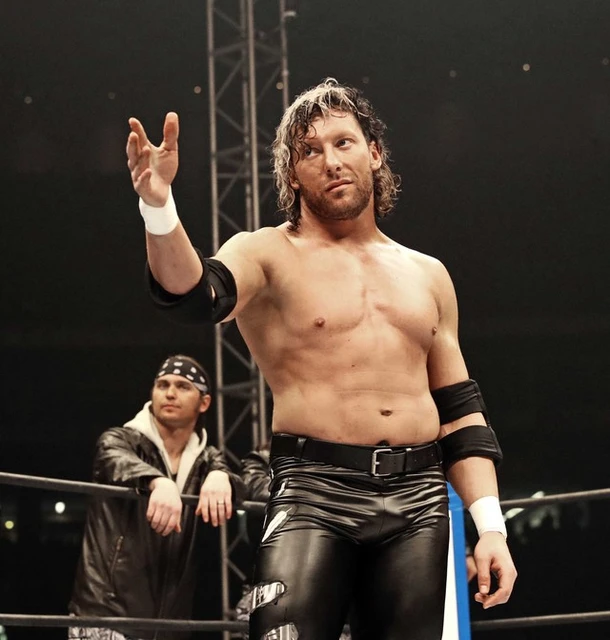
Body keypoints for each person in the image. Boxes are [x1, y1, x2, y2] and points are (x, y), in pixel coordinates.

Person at [126, 78, 517, 640]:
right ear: (292, 173)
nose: (330, 161)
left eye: (343, 143)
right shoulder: (266, 253)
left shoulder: (428, 274)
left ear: (374, 153)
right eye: (309, 151)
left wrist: (491, 527)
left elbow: (460, 413)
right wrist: (159, 207)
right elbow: (192, 295)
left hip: (419, 500)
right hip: (314, 493)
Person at [68, 354, 245, 640]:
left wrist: (220, 476)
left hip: (169, 625)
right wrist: (158, 481)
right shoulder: (122, 440)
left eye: (183, 386)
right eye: (163, 384)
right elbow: (112, 456)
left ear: (204, 403)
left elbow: (239, 480)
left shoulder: (207, 459)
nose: (170, 393)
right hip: (107, 616)